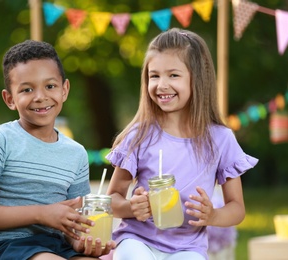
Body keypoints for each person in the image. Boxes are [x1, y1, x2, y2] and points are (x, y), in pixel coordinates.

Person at [105, 28, 258, 260]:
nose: (161, 85)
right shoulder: (139, 135)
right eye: (154, 76)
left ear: (197, 78)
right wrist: (130, 208)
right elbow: (113, 197)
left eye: (173, 75)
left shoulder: (220, 139)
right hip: (138, 241)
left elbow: (237, 208)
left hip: (188, 248)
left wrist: (213, 216)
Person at [0, 40, 115, 260]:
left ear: (65, 90)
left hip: (58, 246)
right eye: (27, 89)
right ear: (10, 99)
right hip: (8, 246)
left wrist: (82, 243)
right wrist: (42, 214)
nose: (40, 96)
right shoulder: (0, 140)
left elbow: (72, 222)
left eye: (50, 86)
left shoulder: (76, 153)